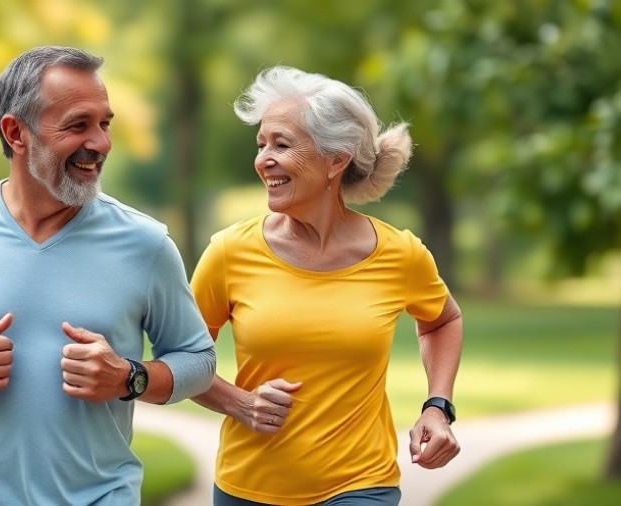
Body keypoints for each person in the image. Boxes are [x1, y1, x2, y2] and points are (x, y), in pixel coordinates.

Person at [0, 46, 216, 505]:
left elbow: (198, 360)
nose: (102, 143)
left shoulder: (145, 244)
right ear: (16, 132)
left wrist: (130, 378)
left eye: (105, 123)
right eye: (78, 125)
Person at [190, 66, 463, 506]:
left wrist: (438, 405)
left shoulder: (400, 254)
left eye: (282, 144)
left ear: (337, 159)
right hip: (249, 487)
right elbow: (183, 357)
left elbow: (442, 320)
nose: (264, 159)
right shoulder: (228, 253)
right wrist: (238, 403)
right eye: (261, 144)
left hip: (361, 484)